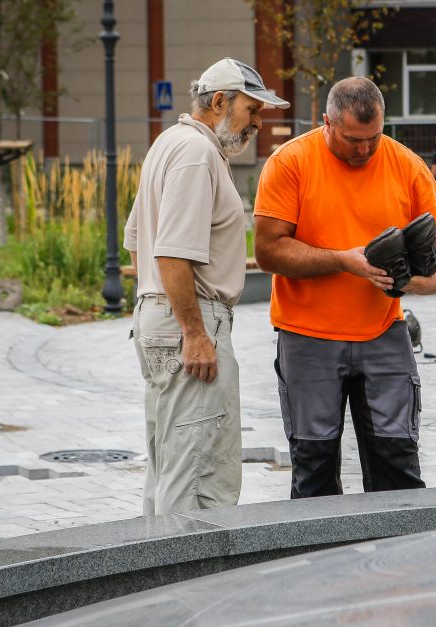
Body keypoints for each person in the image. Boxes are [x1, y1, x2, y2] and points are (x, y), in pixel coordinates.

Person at [253, 76, 436, 498]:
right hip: (307, 337)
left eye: (374, 138)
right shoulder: (289, 163)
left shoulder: (405, 163)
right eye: (353, 140)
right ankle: (320, 563)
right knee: (314, 470)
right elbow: (268, 251)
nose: (365, 149)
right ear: (325, 121)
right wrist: (343, 262)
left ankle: (400, 564)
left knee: (398, 464)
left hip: (384, 332)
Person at [124, 58, 289, 516]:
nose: (258, 122)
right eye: (252, 111)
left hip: (159, 315)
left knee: (169, 466)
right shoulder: (197, 154)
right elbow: (171, 253)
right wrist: (194, 333)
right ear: (220, 101)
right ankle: (188, 582)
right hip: (190, 321)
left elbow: (137, 243)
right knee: (198, 476)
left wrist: (158, 301)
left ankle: (156, 574)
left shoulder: (168, 144)